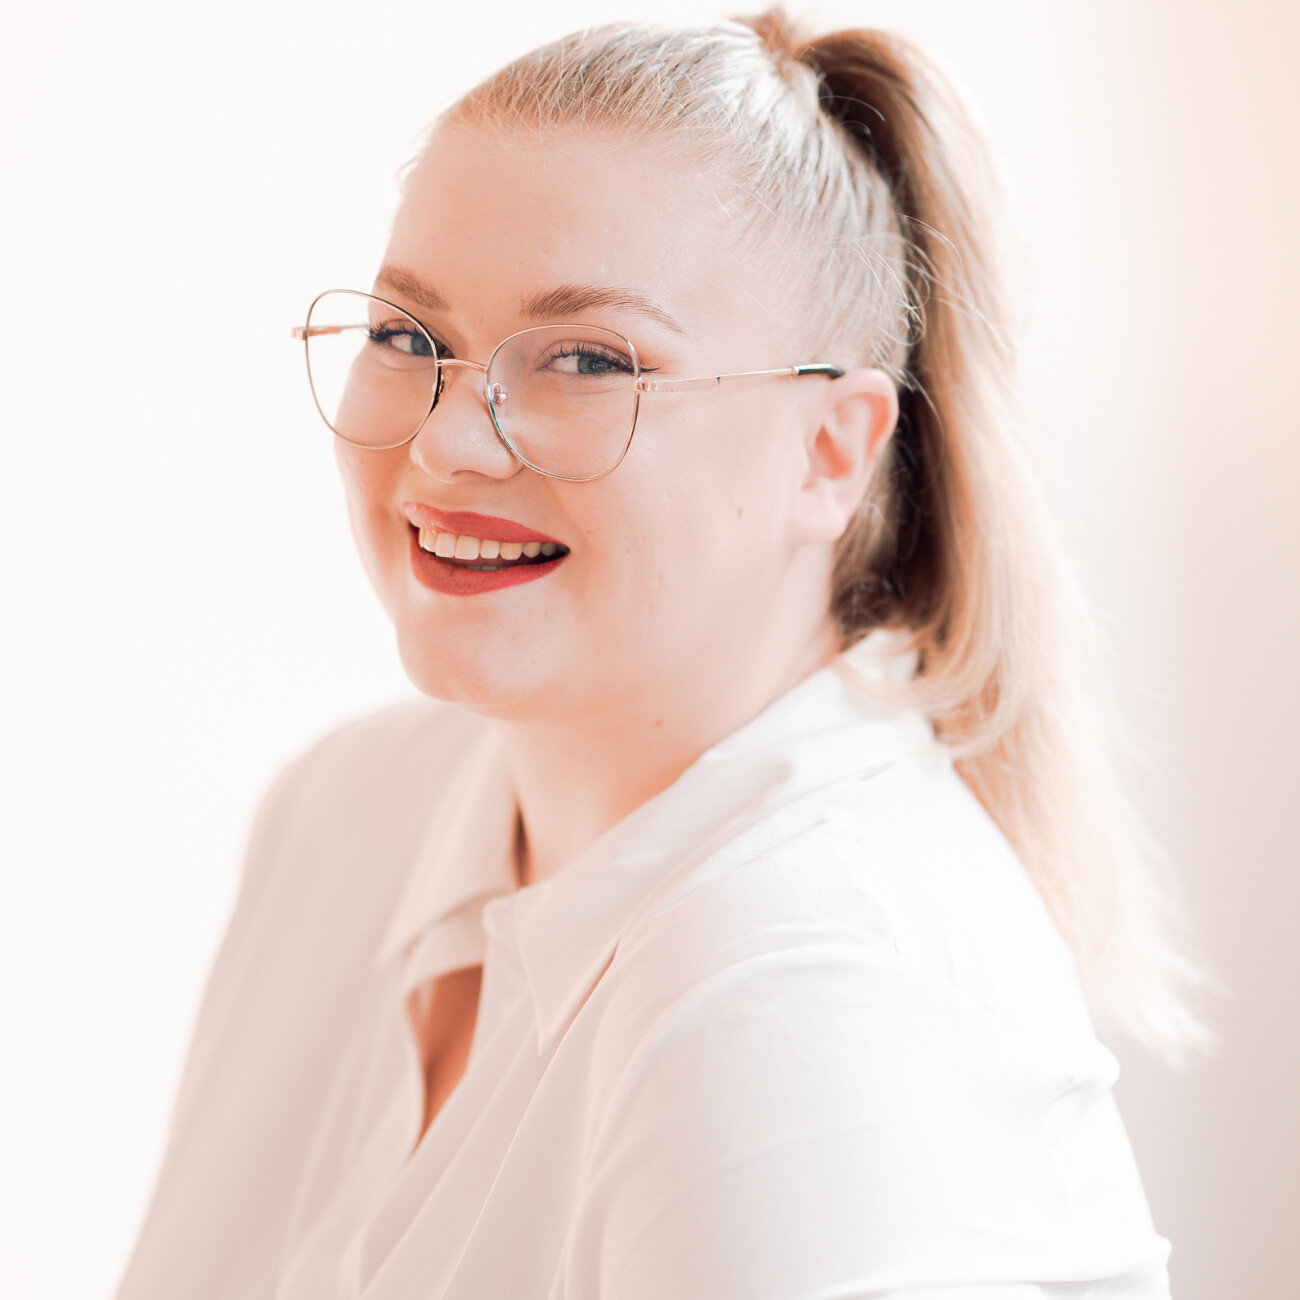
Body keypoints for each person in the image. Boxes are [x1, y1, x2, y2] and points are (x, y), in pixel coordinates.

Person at [114, 9, 1209, 1298]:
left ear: (832, 452)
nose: (448, 442)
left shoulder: (809, 1000)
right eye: (408, 338)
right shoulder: (341, 814)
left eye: (589, 359)